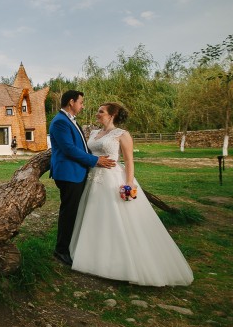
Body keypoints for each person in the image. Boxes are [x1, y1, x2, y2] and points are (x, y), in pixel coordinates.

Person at [69, 103, 193, 286]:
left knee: (117, 219)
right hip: (92, 179)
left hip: (112, 180)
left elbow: (129, 160)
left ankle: (123, 264)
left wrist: (129, 183)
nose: (97, 114)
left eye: (101, 112)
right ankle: (94, 258)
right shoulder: (94, 133)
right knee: (95, 219)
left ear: (112, 115)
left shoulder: (122, 135)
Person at [49, 90, 116, 266]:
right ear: (71, 102)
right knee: (69, 212)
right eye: (81, 102)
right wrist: (95, 160)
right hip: (68, 174)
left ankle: (70, 245)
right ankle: (61, 250)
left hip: (76, 171)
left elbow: (81, 147)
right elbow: (69, 149)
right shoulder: (60, 122)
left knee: (74, 211)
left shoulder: (69, 120)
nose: (83, 105)